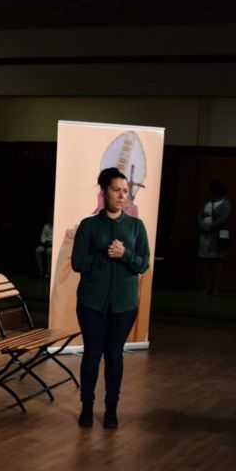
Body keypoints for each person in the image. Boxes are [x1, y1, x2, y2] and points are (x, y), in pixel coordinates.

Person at [71, 167, 151, 429]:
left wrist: (125, 254)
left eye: (125, 191)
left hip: (124, 304)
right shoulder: (89, 225)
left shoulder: (136, 226)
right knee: (92, 354)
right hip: (91, 302)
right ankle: (86, 407)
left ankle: (111, 409)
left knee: (115, 355)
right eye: (116, 190)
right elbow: (78, 264)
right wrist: (105, 254)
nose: (122, 195)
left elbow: (143, 264)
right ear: (103, 191)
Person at [197, 180, 231, 295]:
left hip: (216, 236)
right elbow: (200, 214)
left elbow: (223, 219)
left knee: (217, 262)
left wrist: (210, 227)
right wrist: (202, 224)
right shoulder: (207, 202)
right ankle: (207, 287)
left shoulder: (226, 204)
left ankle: (216, 288)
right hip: (204, 235)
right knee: (204, 261)